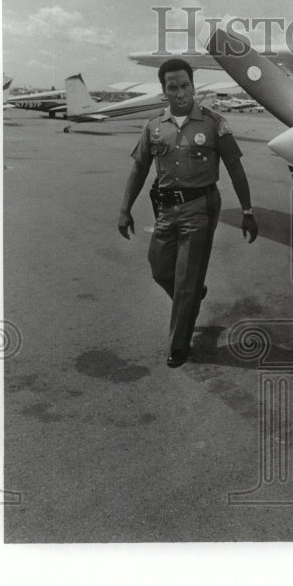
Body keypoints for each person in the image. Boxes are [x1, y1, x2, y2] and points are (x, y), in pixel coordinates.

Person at [118, 58, 259, 367]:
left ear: (193, 86)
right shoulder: (154, 126)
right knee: (160, 269)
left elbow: (234, 166)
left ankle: (178, 345)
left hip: (201, 208)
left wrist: (247, 210)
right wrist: (125, 208)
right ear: (164, 91)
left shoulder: (213, 123)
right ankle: (194, 294)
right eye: (173, 87)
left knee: (184, 280)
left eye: (185, 85)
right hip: (167, 210)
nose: (180, 93)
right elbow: (140, 166)